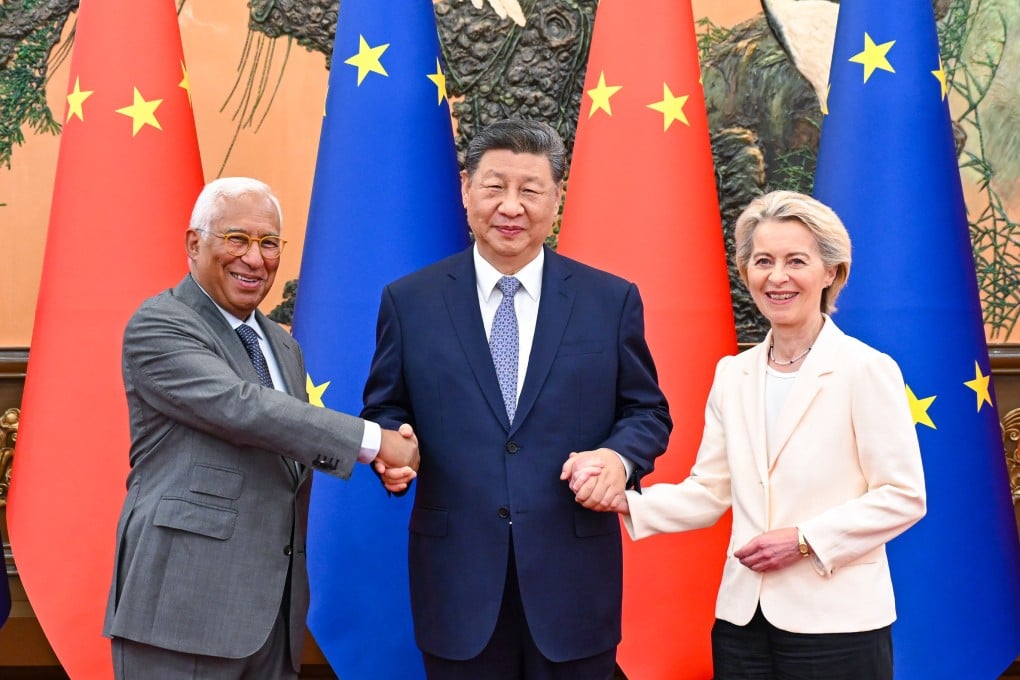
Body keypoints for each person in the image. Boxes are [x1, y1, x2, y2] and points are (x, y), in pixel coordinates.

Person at [568, 190, 927, 679]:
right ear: (746, 274)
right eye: (763, 261)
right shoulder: (732, 374)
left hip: (838, 623)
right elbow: (711, 490)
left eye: (796, 261)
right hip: (741, 620)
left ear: (831, 273)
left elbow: (904, 496)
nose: (777, 277)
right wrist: (626, 501)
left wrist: (804, 540)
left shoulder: (866, 369)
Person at [361, 119, 672, 679]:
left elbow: (646, 411)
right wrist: (393, 448)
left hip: (573, 582)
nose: (511, 206)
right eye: (494, 186)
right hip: (457, 584)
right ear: (465, 188)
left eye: (530, 190)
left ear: (557, 196)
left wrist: (618, 458)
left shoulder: (609, 300)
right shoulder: (410, 302)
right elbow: (386, 408)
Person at [103, 177, 418, 679]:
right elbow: (242, 407)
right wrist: (374, 442)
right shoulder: (160, 324)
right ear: (194, 243)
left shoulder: (281, 344)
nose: (255, 258)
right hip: (183, 617)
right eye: (237, 239)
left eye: (269, 243)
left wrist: (382, 459)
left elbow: (287, 440)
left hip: (272, 618)